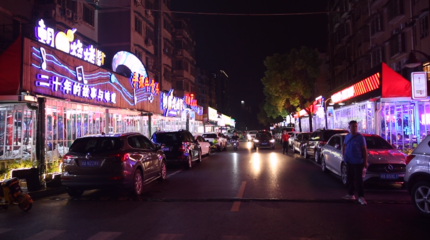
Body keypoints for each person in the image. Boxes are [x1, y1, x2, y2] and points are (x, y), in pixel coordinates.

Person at [342, 120, 368, 205]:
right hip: (349, 161)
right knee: (350, 179)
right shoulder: (347, 136)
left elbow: (364, 150)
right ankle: (351, 194)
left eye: (356, 126)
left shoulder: (360, 138)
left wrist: (365, 161)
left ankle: (361, 197)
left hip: (358, 162)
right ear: (349, 127)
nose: (355, 128)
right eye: (353, 126)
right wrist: (344, 156)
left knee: (358, 180)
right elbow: (344, 146)